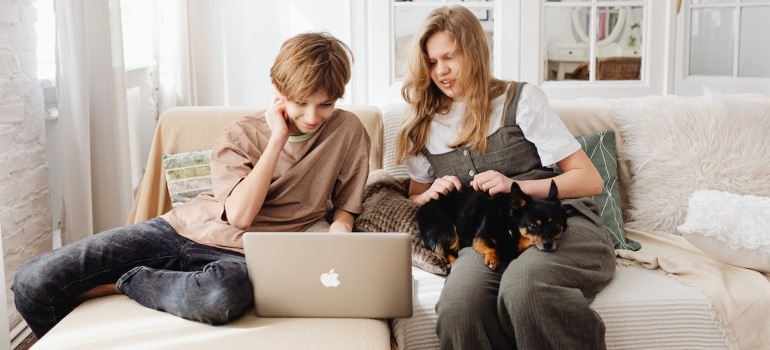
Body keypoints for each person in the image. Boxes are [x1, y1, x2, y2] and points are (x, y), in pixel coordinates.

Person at [13, 31, 371, 338]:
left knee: (221, 296)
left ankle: (131, 281)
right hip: (178, 230)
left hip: (247, 255)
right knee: (33, 282)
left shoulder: (348, 130)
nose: (312, 117)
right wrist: (276, 138)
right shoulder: (239, 134)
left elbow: (347, 205)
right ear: (278, 89)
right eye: (300, 103)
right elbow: (241, 214)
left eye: (325, 104)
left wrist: (338, 236)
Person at [395, 6, 615, 349]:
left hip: (554, 223)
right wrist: (429, 193)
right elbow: (413, 200)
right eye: (432, 62)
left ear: (474, 52)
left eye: (449, 57)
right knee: (459, 306)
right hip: (489, 237)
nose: (441, 71)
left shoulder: (520, 100)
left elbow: (589, 180)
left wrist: (517, 186)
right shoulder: (423, 125)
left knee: (525, 287)